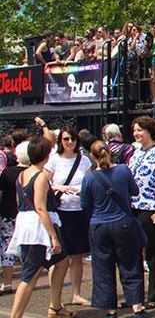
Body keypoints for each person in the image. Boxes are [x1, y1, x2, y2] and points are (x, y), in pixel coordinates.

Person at [81, 141, 155, 318]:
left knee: (103, 268)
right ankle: (138, 309)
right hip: (123, 223)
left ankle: (110, 313)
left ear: (92, 156)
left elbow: (85, 204)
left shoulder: (89, 177)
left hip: (99, 226)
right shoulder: (123, 170)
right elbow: (135, 192)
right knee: (130, 265)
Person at [5, 136, 72, 318]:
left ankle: (56, 306)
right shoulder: (41, 177)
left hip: (26, 225)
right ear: (45, 155)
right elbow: (40, 208)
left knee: (62, 261)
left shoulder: (22, 174)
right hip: (37, 230)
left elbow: (21, 201)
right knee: (30, 276)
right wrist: (53, 237)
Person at [45, 125, 92, 306]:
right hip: (61, 211)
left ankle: (76, 293)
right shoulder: (54, 160)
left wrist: (82, 191)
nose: (70, 142)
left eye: (72, 139)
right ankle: (54, 297)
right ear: (60, 141)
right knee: (58, 255)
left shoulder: (84, 161)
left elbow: (89, 182)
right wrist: (60, 187)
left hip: (79, 210)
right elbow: (44, 182)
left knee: (77, 255)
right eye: (66, 139)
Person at [129, 116, 155, 308]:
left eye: (140, 130)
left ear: (149, 131)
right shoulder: (136, 152)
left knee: (153, 251)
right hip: (134, 206)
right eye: (135, 130)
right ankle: (136, 295)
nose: (136, 134)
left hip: (151, 207)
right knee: (135, 251)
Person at [0, 137, 23, 295]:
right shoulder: (32, 173)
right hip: (24, 214)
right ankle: (26, 281)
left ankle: (7, 283)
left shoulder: (6, 174)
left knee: (7, 247)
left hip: (7, 215)